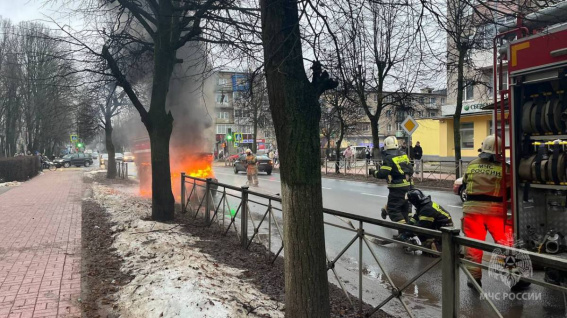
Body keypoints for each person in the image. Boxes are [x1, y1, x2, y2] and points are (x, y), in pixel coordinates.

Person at [463, 135, 529, 290]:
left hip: (472, 211)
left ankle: (474, 279)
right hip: (495, 212)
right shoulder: (504, 168)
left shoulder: (472, 164)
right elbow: (509, 190)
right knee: (506, 245)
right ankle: (515, 279)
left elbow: (466, 182)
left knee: (473, 246)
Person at [369, 136, 413, 229]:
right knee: (405, 210)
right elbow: (411, 170)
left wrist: (373, 172)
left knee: (393, 210)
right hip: (409, 186)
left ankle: (405, 232)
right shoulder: (403, 154)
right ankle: (405, 234)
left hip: (397, 188)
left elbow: (382, 173)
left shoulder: (389, 158)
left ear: (385, 146)